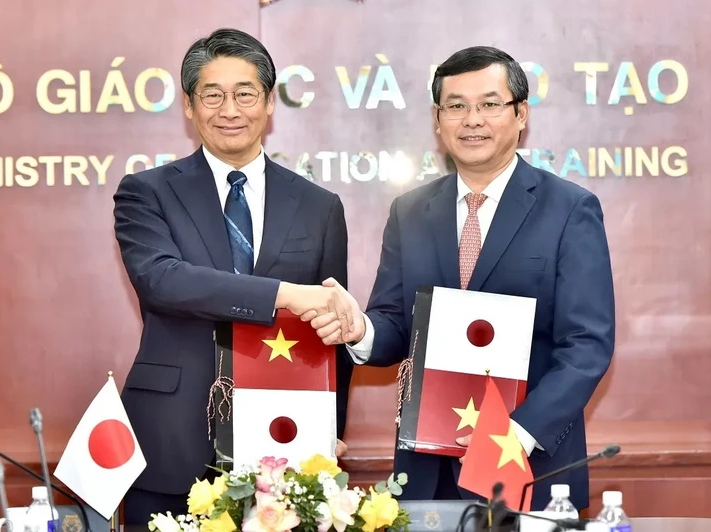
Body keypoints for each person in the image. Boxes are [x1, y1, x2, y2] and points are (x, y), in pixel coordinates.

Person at [307, 46, 615, 511]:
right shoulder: (410, 211)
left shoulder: (569, 209)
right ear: (438, 119)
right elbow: (395, 323)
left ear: (520, 114)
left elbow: (587, 344)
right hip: (426, 473)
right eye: (456, 106)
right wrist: (361, 330)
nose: (472, 119)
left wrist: (515, 435)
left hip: (527, 466)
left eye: (490, 104)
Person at [113, 28, 355, 524]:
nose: (230, 110)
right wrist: (285, 294)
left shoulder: (318, 206)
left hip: (286, 447)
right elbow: (162, 281)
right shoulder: (146, 193)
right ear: (188, 105)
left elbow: (332, 330)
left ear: (269, 103)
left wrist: (328, 425)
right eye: (212, 95)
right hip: (170, 442)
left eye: (245, 94)